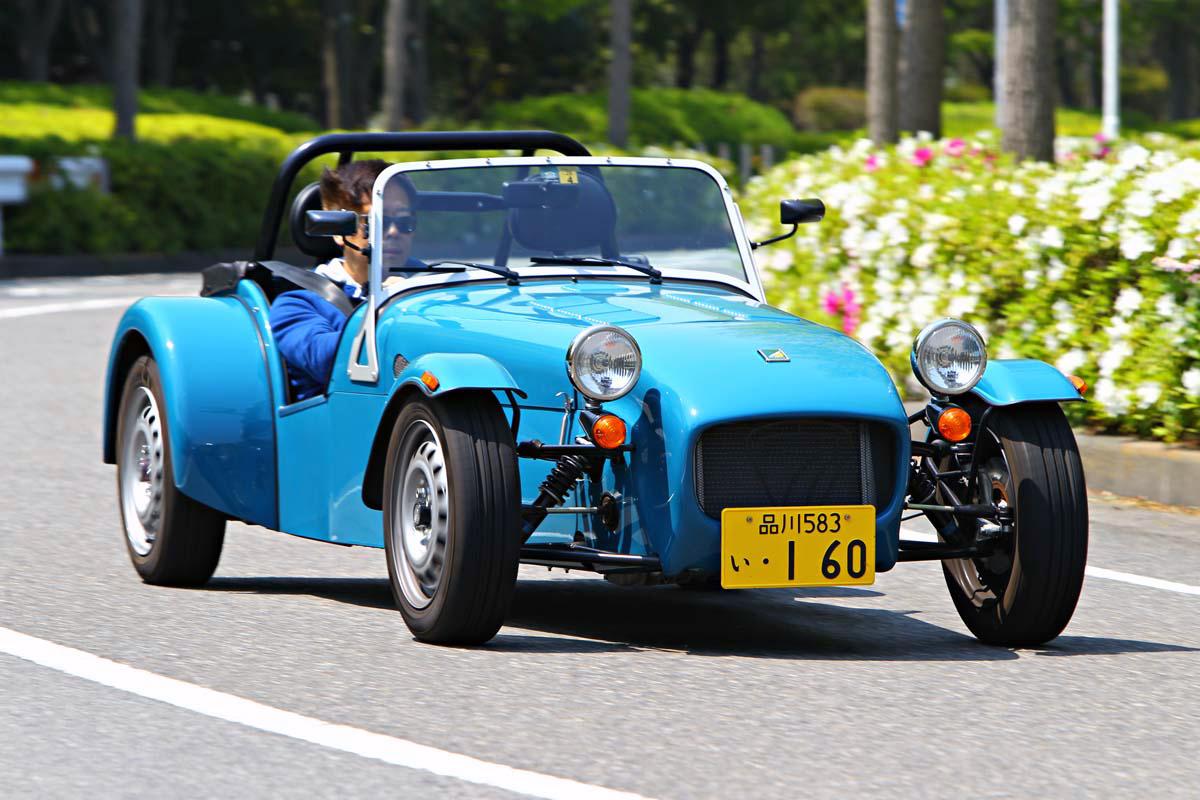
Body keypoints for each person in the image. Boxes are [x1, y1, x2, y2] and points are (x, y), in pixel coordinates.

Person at [270, 160, 418, 401]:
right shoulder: (297, 303)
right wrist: (384, 307)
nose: (393, 232)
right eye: (377, 221)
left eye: (405, 223)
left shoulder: (437, 284)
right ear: (339, 230)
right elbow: (325, 361)